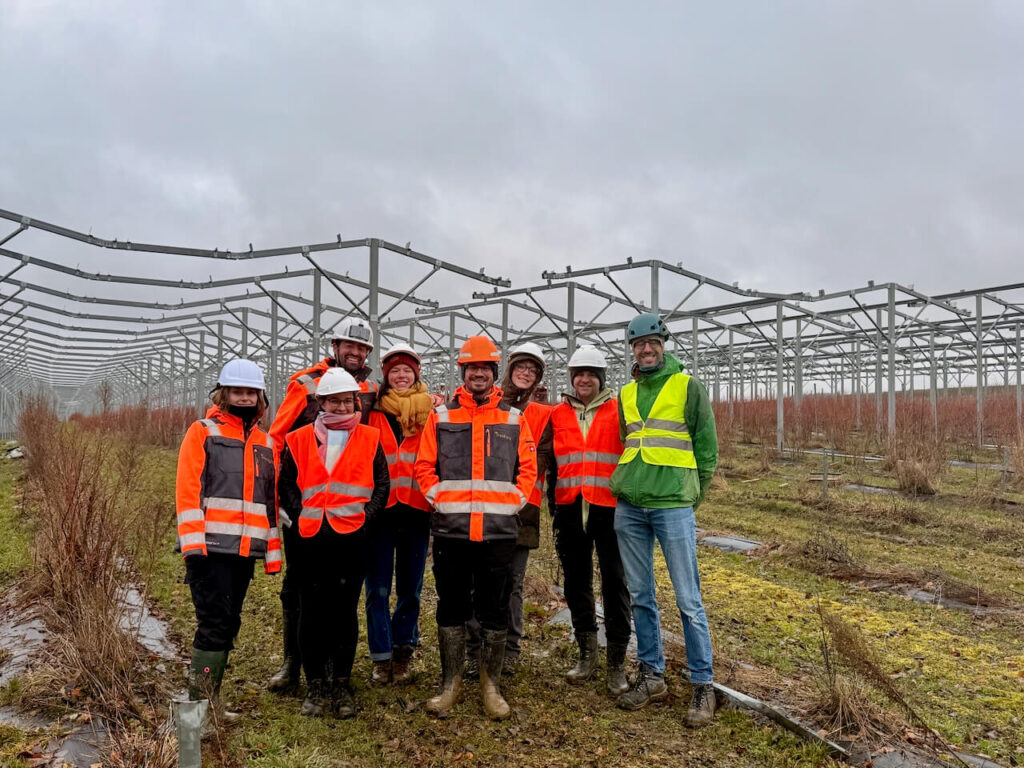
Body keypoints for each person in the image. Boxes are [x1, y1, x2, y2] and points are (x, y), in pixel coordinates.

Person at [414, 335, 537, 720]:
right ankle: (450, 683)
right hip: (452, 530)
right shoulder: (442, 416)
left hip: (498, 531)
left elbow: (528, 470)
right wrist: (440, 500)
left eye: (485, 368)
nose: (478, 373)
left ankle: (490, 685)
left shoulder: (513, 418)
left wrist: (512, 503)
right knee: (451, 605)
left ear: (493, 373)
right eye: (472, 368)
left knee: (495, 606)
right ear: (463, 372)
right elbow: (423, 466)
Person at [610, 313, 719, 725]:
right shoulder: (625, 394)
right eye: (639, 344)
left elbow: (706, 449)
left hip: (673, 503)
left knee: (688, 600)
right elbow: (629, 440)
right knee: (640, 594)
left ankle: (702, 684)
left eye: (653, 342)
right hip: (630, 506)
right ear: (633, 350)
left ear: (664, 344)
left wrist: (692, 496)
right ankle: (652, 674)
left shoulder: (688, 386)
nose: (646, 349)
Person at [266, 321, 378, 694]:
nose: (355, 352)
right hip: (306, 506)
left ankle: (333, 665)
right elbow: (278, 438)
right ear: (335, 345)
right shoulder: (306, 383)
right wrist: (281, 502)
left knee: (341, 594)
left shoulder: (371, 389)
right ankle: (293, 664)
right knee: (299, 587)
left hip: (348, 515)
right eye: (350, 345)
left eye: (362, 348)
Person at [277, 367, 390, 717]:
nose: (341, 407)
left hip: (351, 539)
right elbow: (287, 485)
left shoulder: (370, 438)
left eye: (347, 400)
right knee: (311, 612)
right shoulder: (298, 439)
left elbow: (382, 485)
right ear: (320, 401)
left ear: (355, 401)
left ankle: (341, 684)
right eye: (334, 400)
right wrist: (300, 515)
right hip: (310, 538)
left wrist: (364, 518)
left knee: (343, 613)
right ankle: (316, 685)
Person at [175, 359, 281, 722]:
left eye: (251, 392)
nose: (245, 397)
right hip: (209, 551)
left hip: (243, 552)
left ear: (260, 396)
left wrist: (269, 553)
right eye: (238, 391)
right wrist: (193, 547)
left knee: (229, 623)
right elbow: (188, 491)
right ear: (224, 394)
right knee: (214, 625)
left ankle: (210, 702)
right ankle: (197, 711)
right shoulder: (202, 432)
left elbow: (269, 501)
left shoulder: (265, 442)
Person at [542, 345, 631, 695]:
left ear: (601, 378)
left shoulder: (618, 410)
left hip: (610, 508)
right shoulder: (558, 414)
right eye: (578, 373)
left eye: (590, 374)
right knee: (576, 582)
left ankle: (617, 662)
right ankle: (586, 652)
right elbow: (552, 462)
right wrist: (552, 504)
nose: (583, 379)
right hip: (569, 507)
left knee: (615, 582)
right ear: (571, 378)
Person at [466, 342, 552, 676]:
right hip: (483, 506)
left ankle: (509, 649)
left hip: (522, 510)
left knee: (513, 584)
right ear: (509, 369)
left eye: (533, 369)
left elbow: (546, 460)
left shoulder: (543, 414)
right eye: (521, 366)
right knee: (477, 580)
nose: (526, 372)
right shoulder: (489, 403)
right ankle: (475, 649)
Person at [364, 344, 442, 684]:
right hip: (380, 509)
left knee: (411, 586)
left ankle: (403, 650)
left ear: (416, 375)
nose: (400, 376)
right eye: (394, 371)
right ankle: (381, 656)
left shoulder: (431, 412)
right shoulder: (371, 411)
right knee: (377, 587)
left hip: (416, 508)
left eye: (406, 371)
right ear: (386, 376)